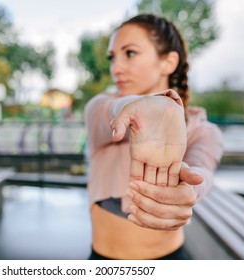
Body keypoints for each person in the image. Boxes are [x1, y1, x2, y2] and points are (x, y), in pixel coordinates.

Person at [84, 13, 223, 260]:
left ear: (168, 62)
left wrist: (192, 189)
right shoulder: (102, 106)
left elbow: (203, 170)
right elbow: (109, 112)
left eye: (130, 53)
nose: (116, 68)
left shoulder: (203, 130)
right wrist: (144, 107)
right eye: (112, 57)